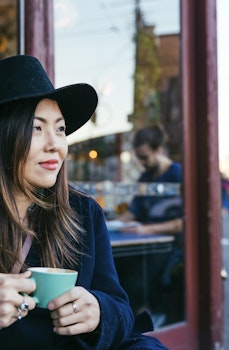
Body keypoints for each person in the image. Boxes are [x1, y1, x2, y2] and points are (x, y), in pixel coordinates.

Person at [0, 55, 168, 350]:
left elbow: (119, 307)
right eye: (36, 128)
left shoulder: (82, 212)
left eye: (60, 129)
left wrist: (99, 312)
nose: (55, 144)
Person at [114, 125, 184, 326]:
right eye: (139, 158)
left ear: (159, 150)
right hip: (145, 242)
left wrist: (145, 229)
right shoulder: (145, 178)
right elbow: (133, 211)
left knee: (139, 280)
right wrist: (113, 223)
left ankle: (152, 317)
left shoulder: (178, 175)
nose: (142, 163)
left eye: (145, 157)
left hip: (171, 244)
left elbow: (183, 223)